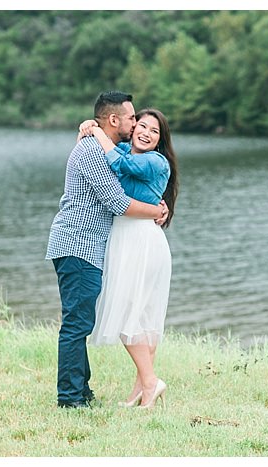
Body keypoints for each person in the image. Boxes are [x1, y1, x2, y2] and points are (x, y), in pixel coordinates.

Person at [46, 91, 169, 409]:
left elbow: (136, 176)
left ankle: (82, 391)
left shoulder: (106, 148)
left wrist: (158, 203)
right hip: (77, 245)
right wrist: (155, 211)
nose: (135, 124)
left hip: (88, 247)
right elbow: (117, 201)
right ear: (114, 120)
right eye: (132, 118)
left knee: (80, 321)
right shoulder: (92, 151)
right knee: (76, 323)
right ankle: (71, 398)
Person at [78, 108, 179, 409]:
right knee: (141, 315)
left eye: (154, 131)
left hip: (140, 240)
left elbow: (121, 163)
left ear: (161, 140)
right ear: (133, 128)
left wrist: (96, 132)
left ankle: (150, 382)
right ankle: (142, 387)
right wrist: (91, 125)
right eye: (142, 126)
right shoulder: (122, 147)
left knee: (127, 313)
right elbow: (111, 145)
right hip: (129, 237)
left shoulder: (155, 161)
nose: (146, 133)